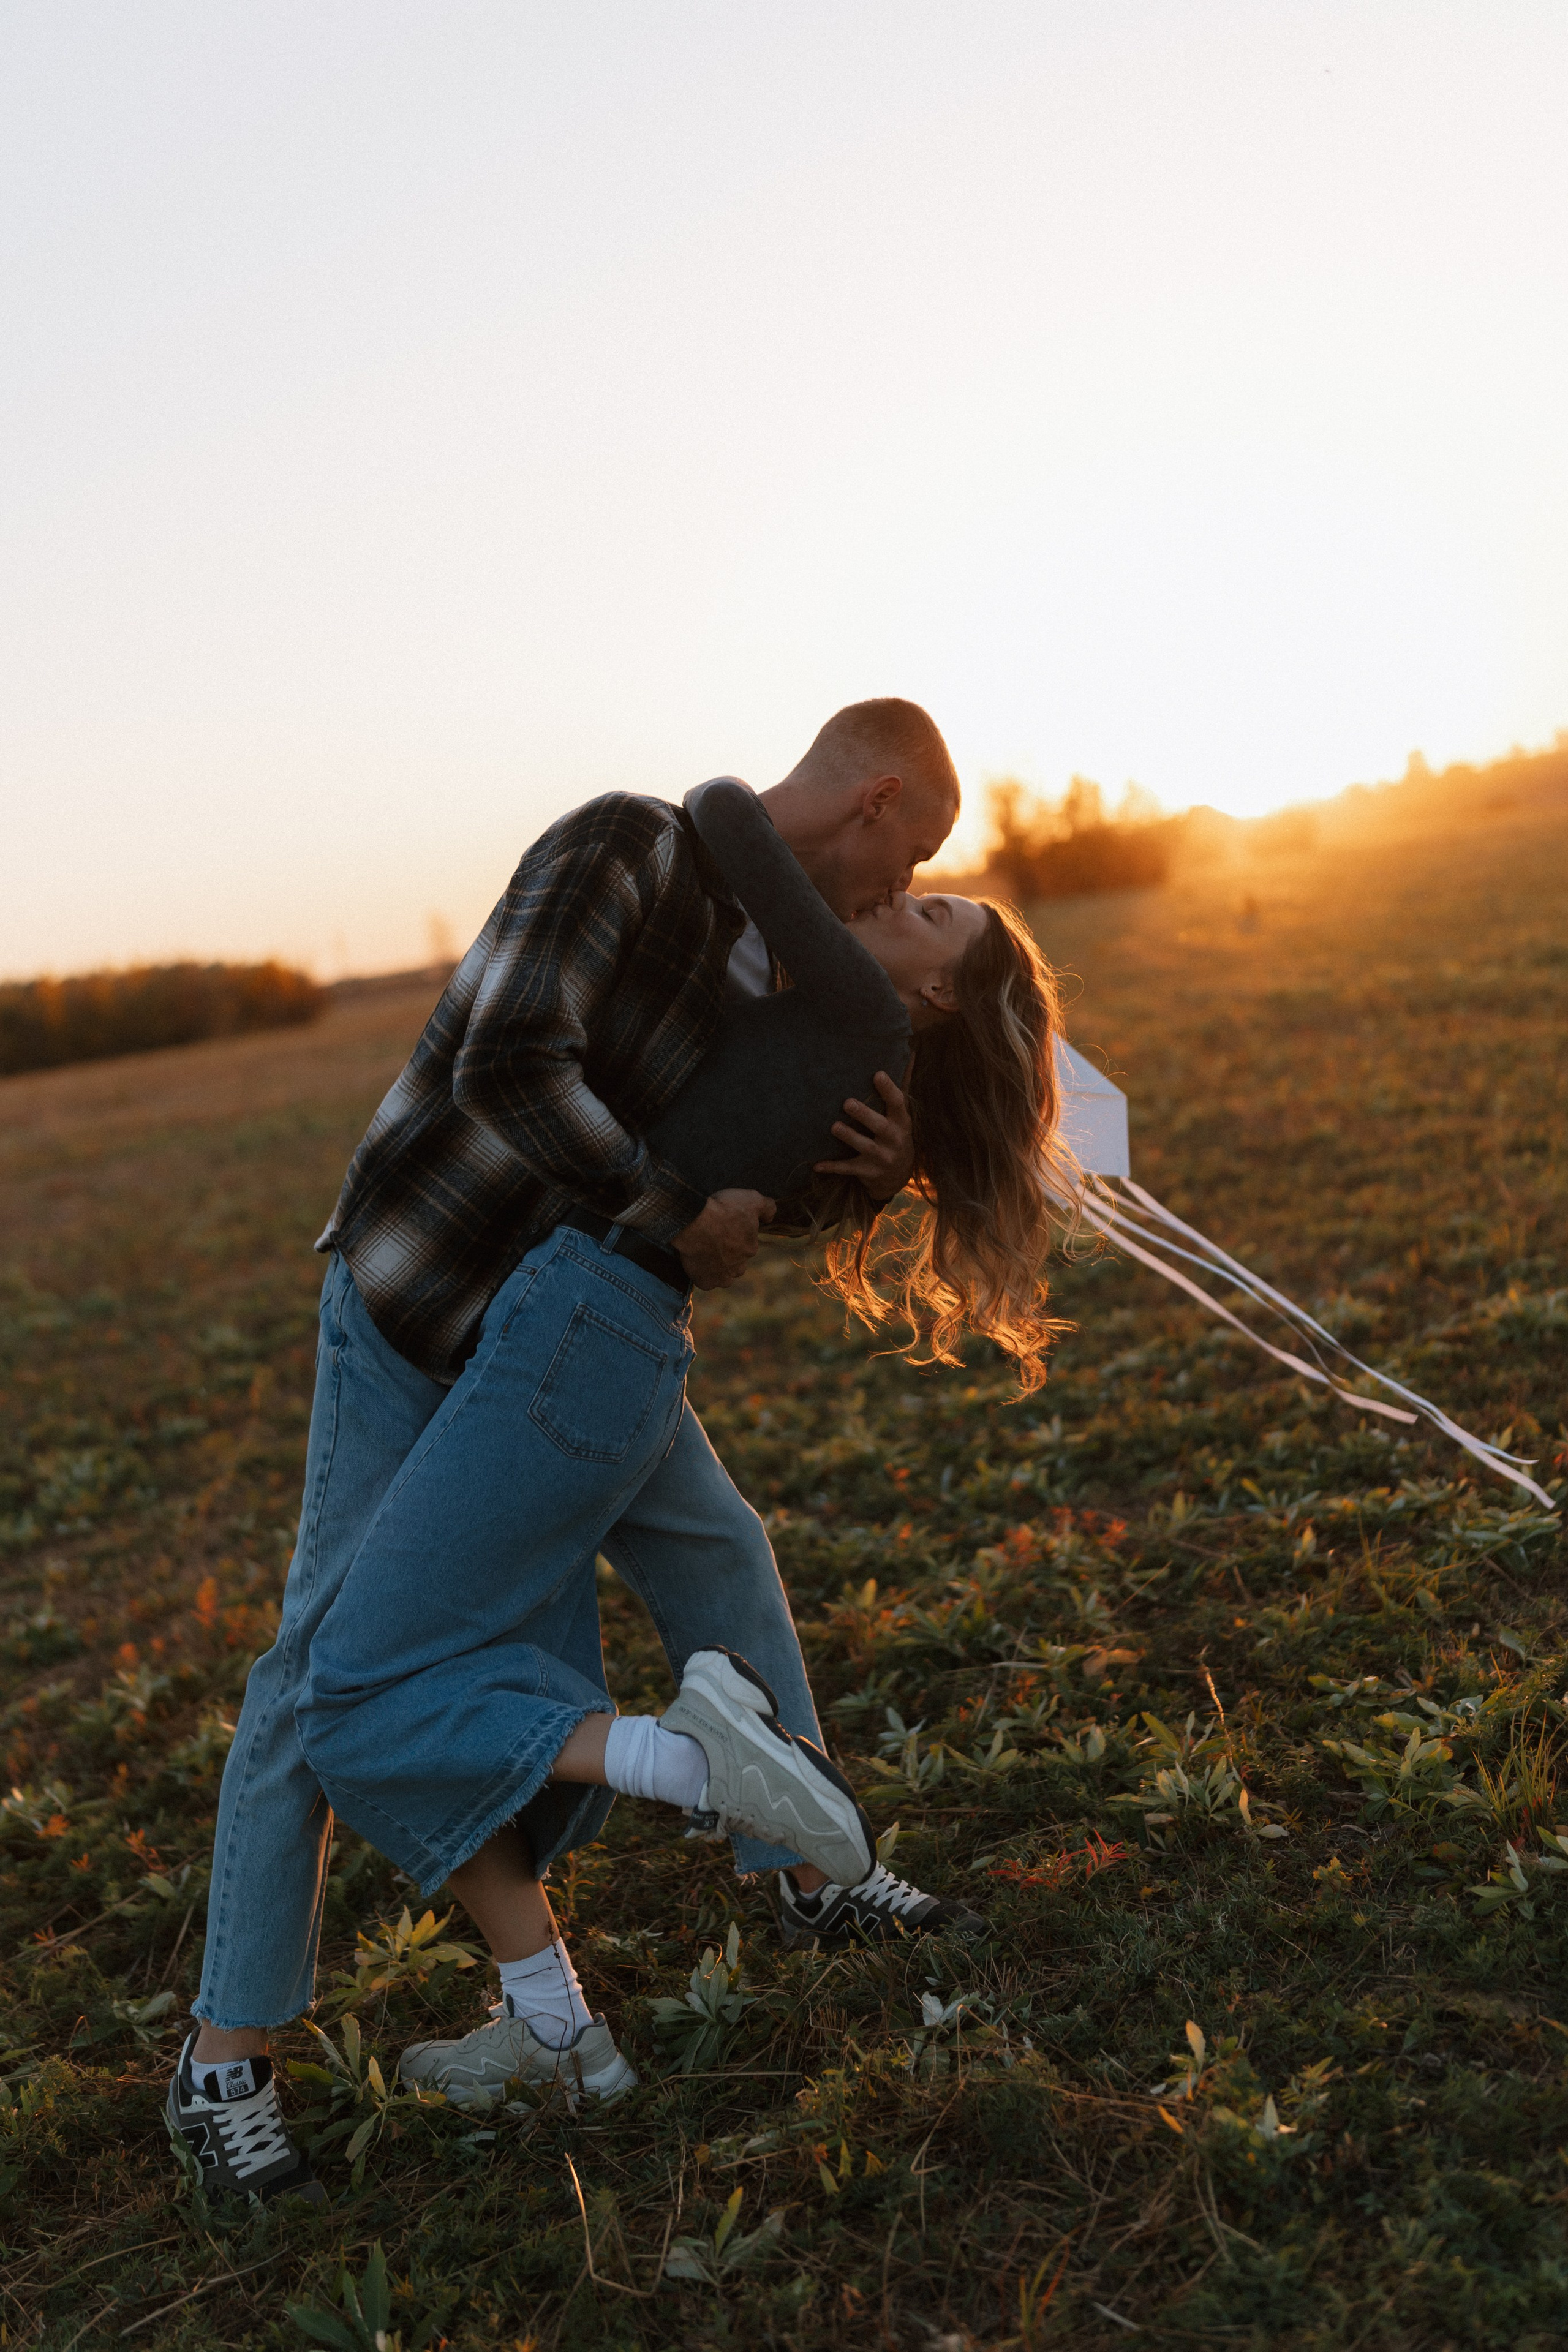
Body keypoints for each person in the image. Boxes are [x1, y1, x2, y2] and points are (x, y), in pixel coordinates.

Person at [167, 700, 978, 2204]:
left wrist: (859, 1180)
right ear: (875, 802)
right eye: (915, 855)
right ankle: (228, 2061)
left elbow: (732, 1164)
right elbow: (509, 1068)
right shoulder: (627, 848)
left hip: (563, 1338)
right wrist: (667, 1212)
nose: (902, 886)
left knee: (719, 1545)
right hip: (428, 1299)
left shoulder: (780, 949)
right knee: (316, 1666)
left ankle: (812, 1875)